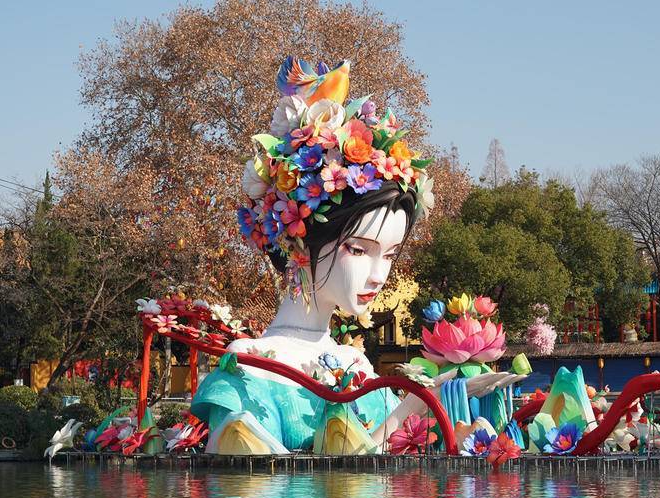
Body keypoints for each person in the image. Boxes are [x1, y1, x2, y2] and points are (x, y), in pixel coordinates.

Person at [190, 59, 519, 455]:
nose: (378, 275)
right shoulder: (249, 366)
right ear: (298, 243)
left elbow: (379, 461)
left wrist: (435, 401)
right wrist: (415, 403)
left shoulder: (354, 364)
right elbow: (260, 478)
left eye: (390, 255)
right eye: (360, 250)